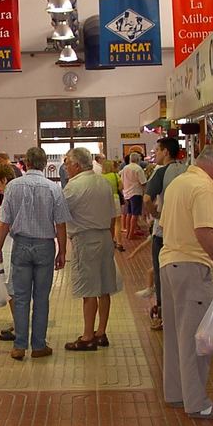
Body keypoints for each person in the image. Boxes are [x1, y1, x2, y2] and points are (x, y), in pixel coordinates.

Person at [159, 144, 213, 420]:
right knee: (195, 338)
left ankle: (176, 393)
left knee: (175, 335)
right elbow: (203, 230)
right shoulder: (204, 188)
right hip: (192, 266)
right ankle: (198, 402)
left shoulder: (178, 183)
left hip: (169, 264)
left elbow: (165, 225)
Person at [0, 146, 71, 361]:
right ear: (45, 164)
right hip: (45, 246)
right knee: (41, 298)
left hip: (21, 246)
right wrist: (62, 252)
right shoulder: (53, 189)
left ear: (26, 163)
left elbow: (4, 222)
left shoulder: (13, 187)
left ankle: (19, 346)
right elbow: (61, 224)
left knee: (20, 297)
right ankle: (38, 345)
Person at [61, 148, 121, 351]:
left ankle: (87, 336)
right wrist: (111, 238)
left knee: (89, 289)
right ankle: (101, 332)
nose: (66, 166)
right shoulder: (103, 182)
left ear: (77, 165)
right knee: (104, 288)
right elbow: (114, 214)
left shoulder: (74, 186)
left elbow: (60, 212)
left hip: (86, 238)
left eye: (67, 162)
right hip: (105, 236)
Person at [141, 137, 186, 329]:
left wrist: (155, 214)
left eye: (157, 150)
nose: (155, 154)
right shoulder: (187, 170)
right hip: (184, 231)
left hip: (163, 231)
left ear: (166, 152)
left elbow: (146, 199)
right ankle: (183, 311)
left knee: (161, 273)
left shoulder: (160, 172)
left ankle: (162, 314)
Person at [0, 162, 19, 342]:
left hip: (9, 247)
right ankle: (18, 324)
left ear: (5, 180)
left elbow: (6, 226)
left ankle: (19, 328)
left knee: (13, 289)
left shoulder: (10, 197)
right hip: (12, 246)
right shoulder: (15, 195)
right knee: (13, 289)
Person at [120, 151, 148, 242]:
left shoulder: (125, 168)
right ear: (138, 159)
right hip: (136, 193)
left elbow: (121, 180)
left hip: (126, 193)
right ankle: (131, 234)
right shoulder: (138, 168)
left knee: (129, 213)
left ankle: (128, 232)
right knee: (135, 214)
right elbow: (143, 182)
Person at [101, 160, 124, 251]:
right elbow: (121, 187)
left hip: (105, 200)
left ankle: (108, 241)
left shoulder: (101, 177)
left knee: (107, 222)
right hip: (115, 199)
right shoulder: (115, 175)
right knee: (117, 222)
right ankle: (119, 243)